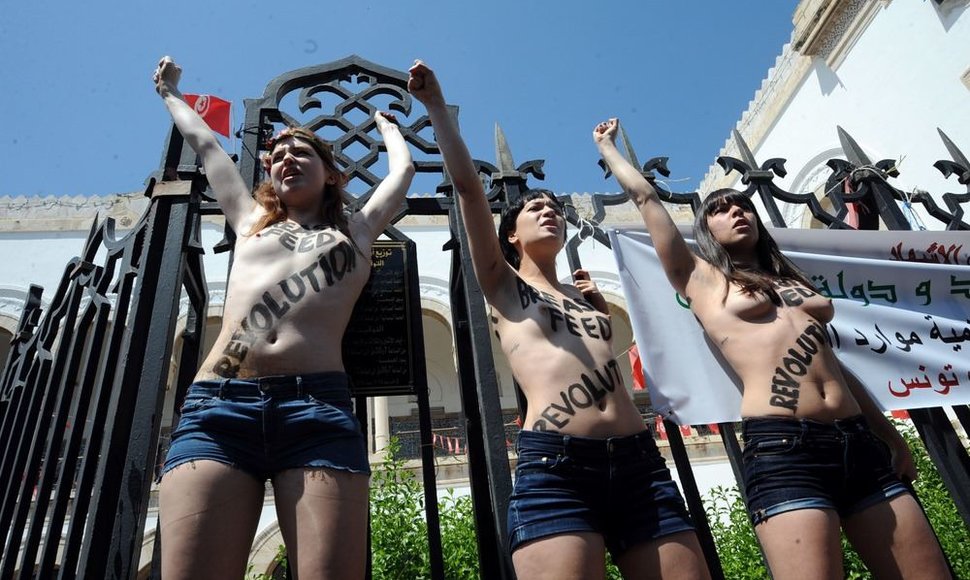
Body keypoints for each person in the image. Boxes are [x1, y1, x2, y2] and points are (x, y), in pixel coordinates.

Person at [595, 118, 952, 579]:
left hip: (859, 443)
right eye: (721, 209)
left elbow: (834, 365)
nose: (736, 212)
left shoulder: (791, 278)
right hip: (786, 449)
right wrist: (608, 147)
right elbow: (647, 199)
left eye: (743, 206)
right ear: (704, 230)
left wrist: (886, 433)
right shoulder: (703, 280)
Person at [408, 61, 710, 580]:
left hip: (640, 464)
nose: (549, 210)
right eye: (534, 209)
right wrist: (438, 108)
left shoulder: (583, 296)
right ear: (511, 237)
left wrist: (592, 310)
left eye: (553, 206)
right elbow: (469, 191)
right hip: (556, 469)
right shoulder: (504, 285)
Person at [153, 56, 414, 579]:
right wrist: (170, 93)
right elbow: (206, 145)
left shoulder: (357, 233)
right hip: (218, 407)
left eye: (300, 151)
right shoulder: (249, 220)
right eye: (276, 154)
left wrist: (389, 127)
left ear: (332, 173)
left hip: (315, 409)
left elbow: (402, 172)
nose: (285, 158)